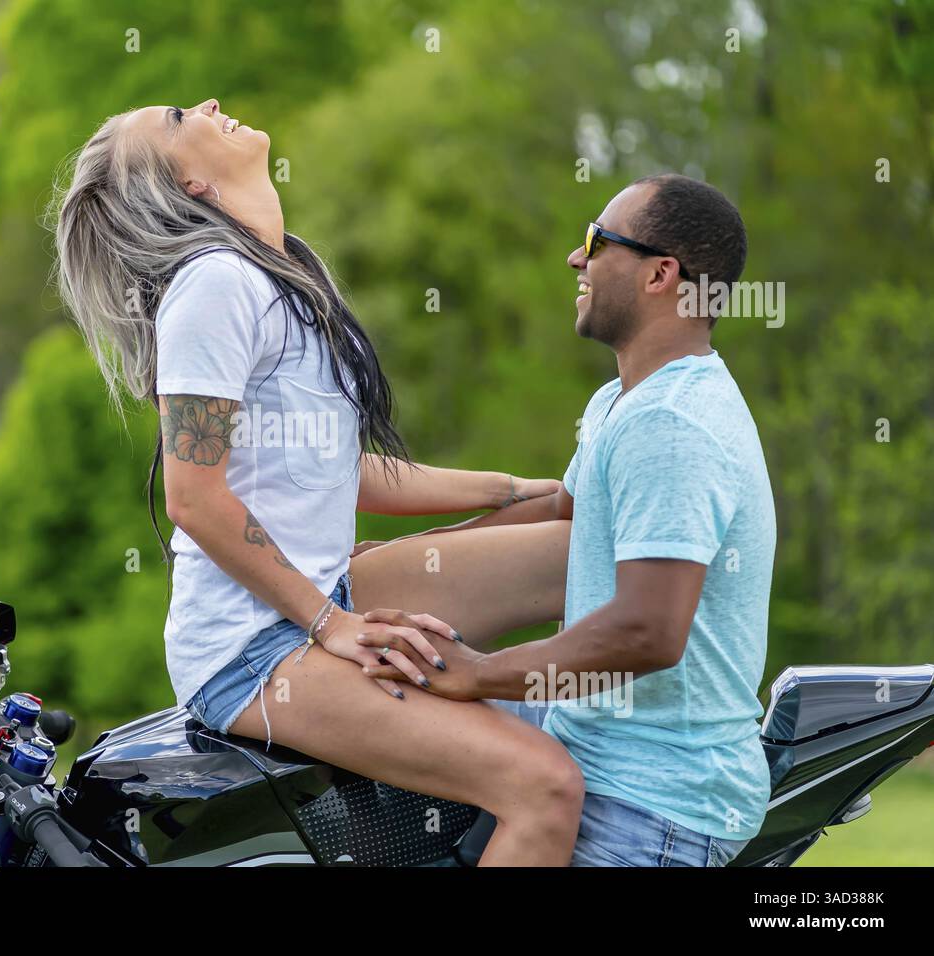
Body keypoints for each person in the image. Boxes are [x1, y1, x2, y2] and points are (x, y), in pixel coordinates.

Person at [52, 98, 582, 865]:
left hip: (326, 592)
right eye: (176, 117)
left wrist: (520, 492)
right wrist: (329, 628)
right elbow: (194, 498)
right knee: (546, 785)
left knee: (578, 545)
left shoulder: (282, 275)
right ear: (188, 181)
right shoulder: (213, 287)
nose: (206, 104)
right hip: (255, 651)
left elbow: (336, 468)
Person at [363, 175, 776, 867]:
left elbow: (647, 632)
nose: (574, 259)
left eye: (595, 241)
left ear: (660, 274)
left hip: (650, 810)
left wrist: (481, 673)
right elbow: (564, 509)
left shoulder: (670, 423)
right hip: (593, 749)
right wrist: (410, 561)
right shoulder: (625, 397)